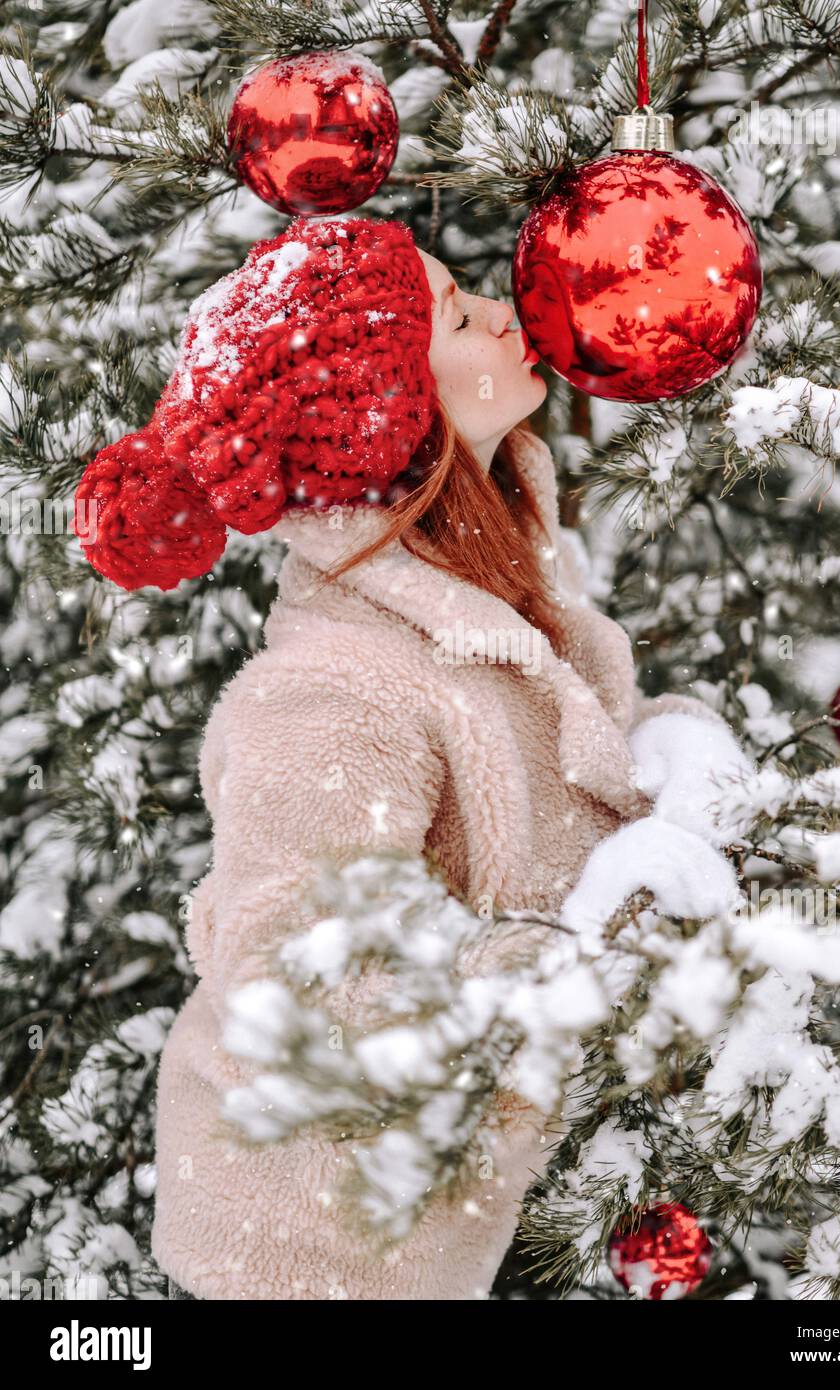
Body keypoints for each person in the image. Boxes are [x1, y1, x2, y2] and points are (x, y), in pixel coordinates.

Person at [73, 215, 726, 1299]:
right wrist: (560, 967)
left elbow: (583, 750)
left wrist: (681, 752)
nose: (505, 313)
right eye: (458, 318)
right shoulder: (340, 686)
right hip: (309, 1251)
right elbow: (296, 974)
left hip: (430, 1221)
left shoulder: (491, 574)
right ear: (394, 420)